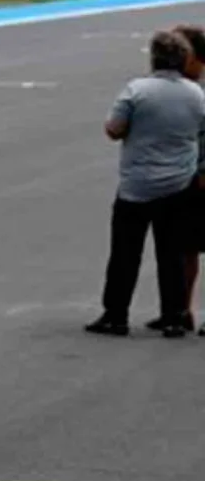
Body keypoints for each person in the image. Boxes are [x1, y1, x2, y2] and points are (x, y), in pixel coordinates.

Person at [86, 31, 205, 338]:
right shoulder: (196, 95)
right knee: (173, 253)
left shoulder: (136, 90)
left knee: (125, 253)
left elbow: (114, 129)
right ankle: (176, 315)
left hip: (137, 184)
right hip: (178, 183)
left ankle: (116, 314)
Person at [151, 25, 205, 334]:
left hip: (199, 174)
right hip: (184, 176)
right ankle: (179, 309)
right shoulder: (182, 89)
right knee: (185, 246)